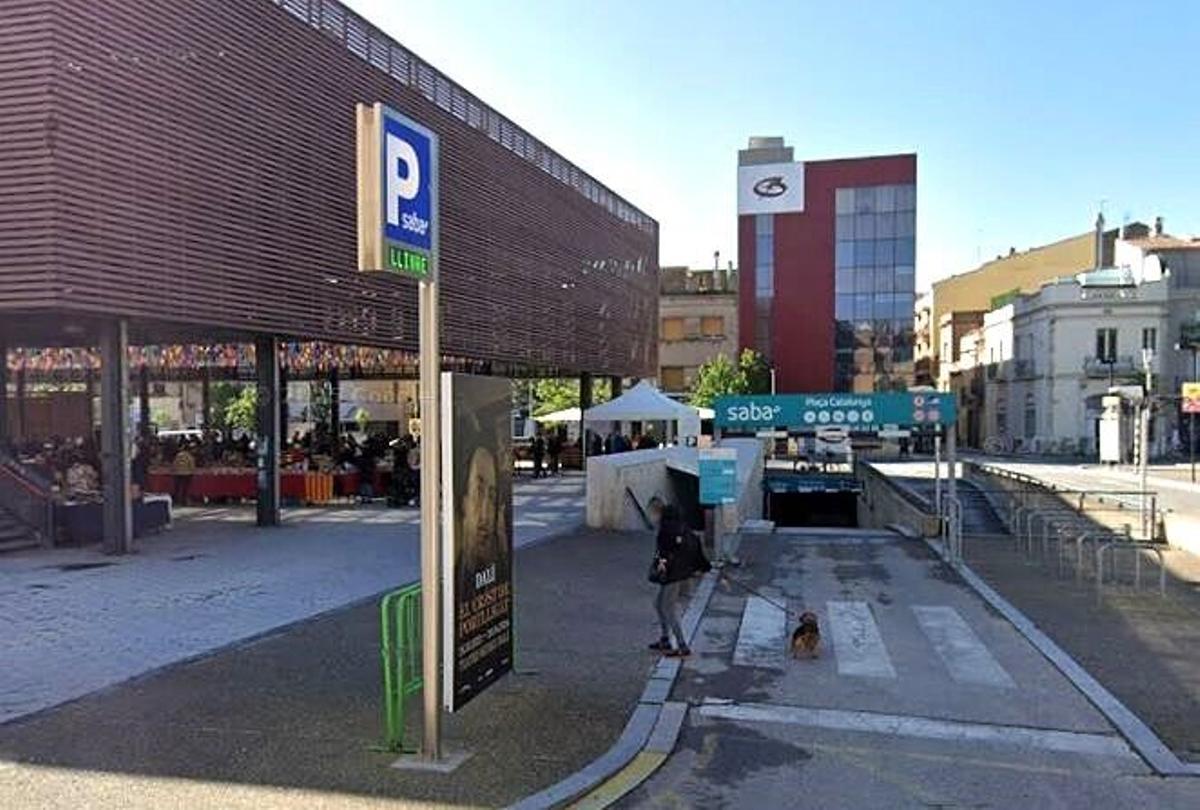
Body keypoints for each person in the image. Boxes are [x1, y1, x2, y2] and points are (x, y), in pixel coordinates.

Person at [649, 504, 705, 657]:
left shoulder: (666, 530)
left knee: (667, 608)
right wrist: (705, 567)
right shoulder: (687, 531)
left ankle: (682, 645)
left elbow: (663, 554)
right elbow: (698, 552)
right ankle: (665, 638)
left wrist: (659, 569)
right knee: (659, 604)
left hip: (672, 576)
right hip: (685, 575)